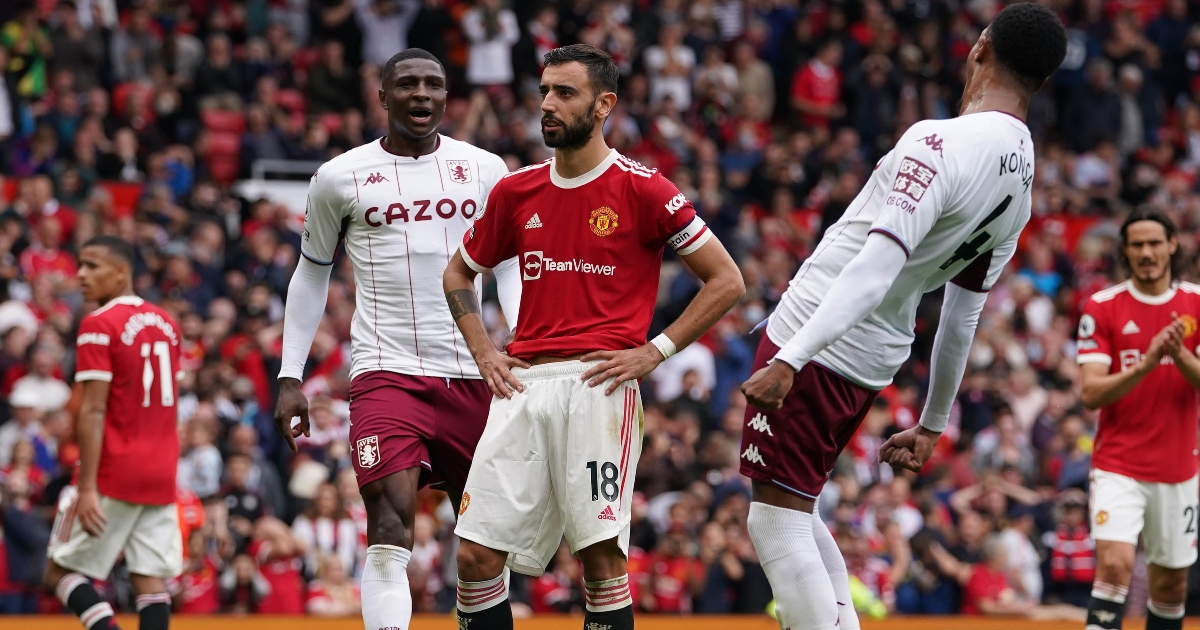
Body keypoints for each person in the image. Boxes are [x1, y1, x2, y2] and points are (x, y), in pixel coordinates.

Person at [735, 4, 1067, 630]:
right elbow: (961, 317)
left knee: (773, 521)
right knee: (796, 509)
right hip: (873, 354)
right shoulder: (1022, 182)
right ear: (1043, 80)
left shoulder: (938, 141)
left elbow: (872, 268)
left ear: (980, 47)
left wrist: (791, 356)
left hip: (823, 338)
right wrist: (933, 425)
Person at [443, 44, 745, 630]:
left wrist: (655, 351)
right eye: (545, 92)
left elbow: (727, 280)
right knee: (475, 554)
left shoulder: (645, 189)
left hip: (598, 385)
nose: (548, 105)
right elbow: (458, 272)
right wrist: (483, 349)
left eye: (565, 93)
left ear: (604, 104)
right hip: (521, 386)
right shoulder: (516, 190)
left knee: (600, 559)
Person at [272, 47, 520, 630]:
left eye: (433, 85)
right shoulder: (339, 176)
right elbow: (312, 271)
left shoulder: (487, 169)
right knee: (388, 526)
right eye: (407, 84)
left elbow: (508, 264)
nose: (421, 95)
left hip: (474, 375)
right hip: (387, 374)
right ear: (382, 96)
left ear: (446, 95)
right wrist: (290, 374)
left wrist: (525, 339)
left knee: (486, 544)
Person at [43, 235, 184, 630]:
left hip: (114, 469)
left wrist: (86, 487)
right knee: (148, 578)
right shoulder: (168, 324)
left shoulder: (98, 324)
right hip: (161, 470)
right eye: (80, 265)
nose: (81, 275)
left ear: (122, 271)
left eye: (92, 266)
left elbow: (92, 409)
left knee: (58, 572)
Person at [1075, 207, 1200, 630]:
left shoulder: (1197, 304)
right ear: (1125, 251)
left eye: (1153, 243)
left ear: (1171, 245)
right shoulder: (1102, 306)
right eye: (1137, 245)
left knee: (1170, 588)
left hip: (1179, 468)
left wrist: (1179, 354)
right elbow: (1090, 393)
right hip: (1119, 465)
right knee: (1114, 564)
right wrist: (1145, 364)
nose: (1146, 252)